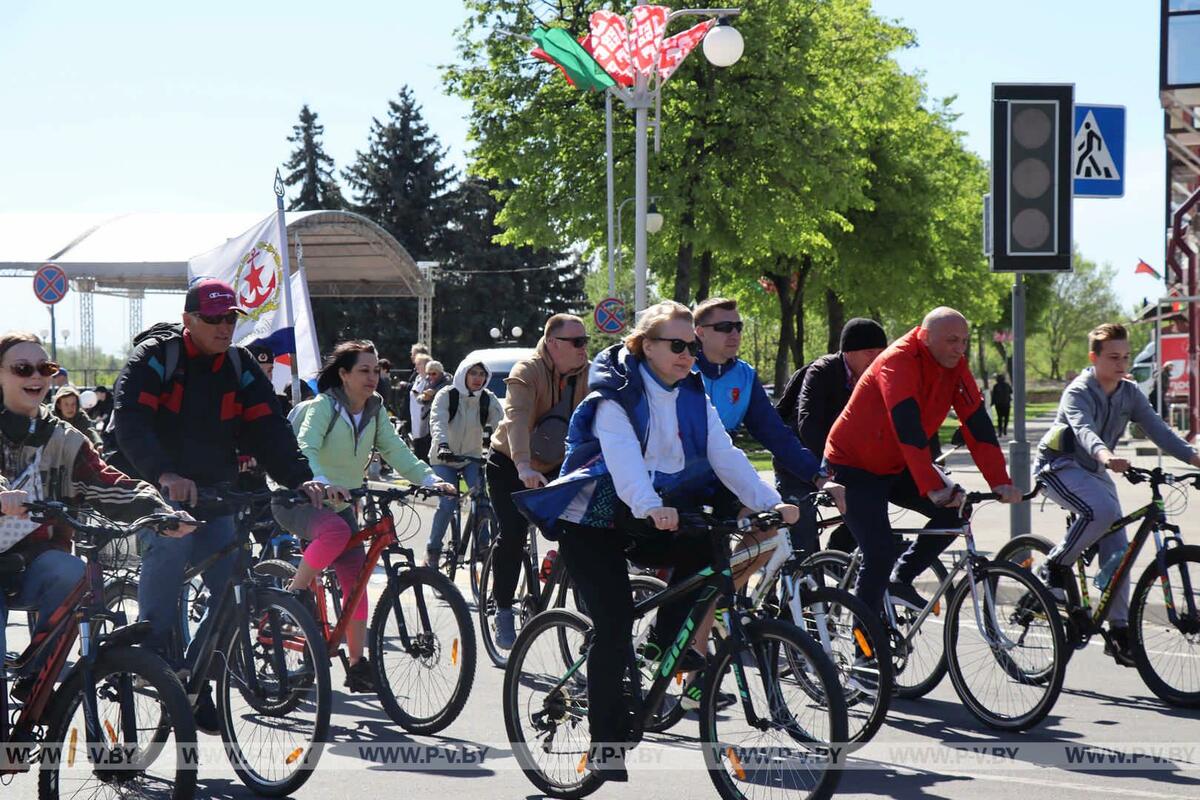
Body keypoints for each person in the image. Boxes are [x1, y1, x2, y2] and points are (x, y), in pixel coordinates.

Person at [515, 302, 799, 781]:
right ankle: (606, 745)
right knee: (613, 622)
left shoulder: (692, 392)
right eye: (677, 345)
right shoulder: (614, 395)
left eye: (692, 347)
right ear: (647, 346)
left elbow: (724, 454)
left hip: (647, 515)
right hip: (593, 521)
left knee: (707, 555)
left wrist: (770, 502)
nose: (688, 355)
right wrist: (650, 505)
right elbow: (624, 459)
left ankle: (663, 643)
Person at [110, 279, 326, 732]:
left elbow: (269, 427)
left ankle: (194, 677)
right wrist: (164, 474)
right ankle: (154, 656)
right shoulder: (155, 358)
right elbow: (130, 423)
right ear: (188, 320)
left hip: (215, 489)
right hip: (157, 487)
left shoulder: (239, 363)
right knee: (170, 548)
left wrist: (300, 478)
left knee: (232, 586)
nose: (224, 326)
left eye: (231, 318)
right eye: (213, 319)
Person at [0, 332, 195, 701]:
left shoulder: (65, 438)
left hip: (37, 560)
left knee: (75, 573)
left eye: (45, 368)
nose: (36, 377)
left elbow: (107, 482)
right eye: (23, 369)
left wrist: (159, 512)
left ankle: (38, 677)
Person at [274, 340, 454, 691]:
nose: (372, 377)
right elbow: (306, 446)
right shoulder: (325, 406)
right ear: (343, 374)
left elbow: (397, 451)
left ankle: (357, 665)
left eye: (375, 370)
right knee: (336, 534)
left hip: (340, 504)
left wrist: (431, 480)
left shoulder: (374, 410)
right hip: (299, 498)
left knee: (356, 584)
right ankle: (293, 595)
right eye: (363, 371)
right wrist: (320, 481)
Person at [824, 307, 1022, 618]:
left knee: (957, 510)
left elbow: (977, 423)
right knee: (879, 551)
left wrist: (1000, 481)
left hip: (896, 462)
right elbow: (906, 425)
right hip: (853, 465)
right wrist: (931, 486)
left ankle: (901, 579)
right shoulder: (898, 361)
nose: (959, 348)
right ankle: (864, 638)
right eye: (952, 340)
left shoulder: (955, 365)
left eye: (964, 341)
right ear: (926, 337)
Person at [1035, 323, 1200, 667]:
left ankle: (1120, 630)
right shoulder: (1078, 391)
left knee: (1119, 551)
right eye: (1113, 357)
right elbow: (1083, 430)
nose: (1121, 364)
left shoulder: (1130, 392)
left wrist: (1194, 457)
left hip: (1096, 472)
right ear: (1093, 358)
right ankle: (1054, 565)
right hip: (1060, 466)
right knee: (1103, 511)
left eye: (1125, 357)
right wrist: (1107, 457)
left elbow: (1158, 430)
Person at [487, 313, 590, 649]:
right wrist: (522, 465)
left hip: (559, 464)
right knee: (513, 534)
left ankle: (590, 616)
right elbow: (516, 419)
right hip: (509, 463)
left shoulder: (588, 374)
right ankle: (503, 609)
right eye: (577, 341)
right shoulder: (527, 371)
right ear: (553, 343)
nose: (583, 347)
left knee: (583, 533)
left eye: (586, 340)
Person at [776, 317, 888, 552]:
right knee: (803, 536)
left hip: (838, 461)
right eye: (869, 352)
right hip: (799, 459)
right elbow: (808, 424)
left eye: (881, 352)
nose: (877, 358)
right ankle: (807, 571)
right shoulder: (822, 371)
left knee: (870, 510)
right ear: (848, 351)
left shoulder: (877, 379)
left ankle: (836, 558)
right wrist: (834, 464)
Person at [424, 359, 503, 566]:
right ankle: (433, 549)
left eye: (482, 374)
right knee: (448, 501)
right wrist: (442, 445)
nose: (478, 378)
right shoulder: (446, 395)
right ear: (463, 374)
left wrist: (508, 449)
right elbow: (437, 421)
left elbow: (502, 426)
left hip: (471, 458)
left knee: (482, 499)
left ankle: (484, 548)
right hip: (444, 458)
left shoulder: (487, 399)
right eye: (473, 373)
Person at [991, 373, 1013, 437]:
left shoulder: (996, 386)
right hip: (1006, 403)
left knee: (999, 418)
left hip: (998, 404)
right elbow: (1011, 392)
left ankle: (1000, 431)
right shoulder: (1007, 385)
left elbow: (993, 396)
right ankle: (1005, 429)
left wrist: (992, 403)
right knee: (1006, 417)